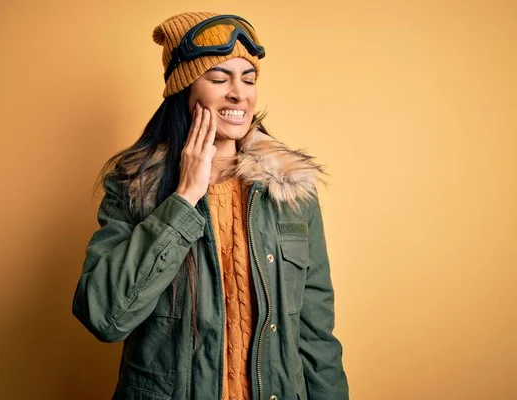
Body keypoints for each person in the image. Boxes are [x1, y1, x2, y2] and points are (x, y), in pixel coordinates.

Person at [72, 11, 349, 400]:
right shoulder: (135, 185)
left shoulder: (290, 190)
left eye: (248, 79)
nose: (239, 93)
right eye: (219, 78)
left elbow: (317, 337)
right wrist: (184, 198)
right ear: (183, 88)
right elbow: (103, 316)